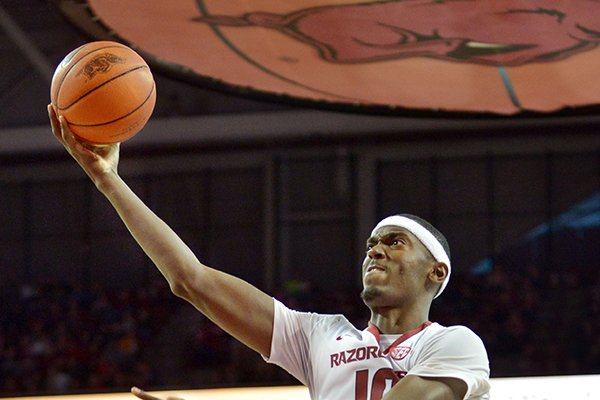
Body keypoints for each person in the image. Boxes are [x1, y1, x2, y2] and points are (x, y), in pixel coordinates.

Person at [48, 105, 490, 400]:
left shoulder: (455, 345)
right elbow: (192, 280)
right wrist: (108, 181)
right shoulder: (322, 336)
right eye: (371, 244)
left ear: (436, 272)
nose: (375, 251)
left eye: (395, 242)